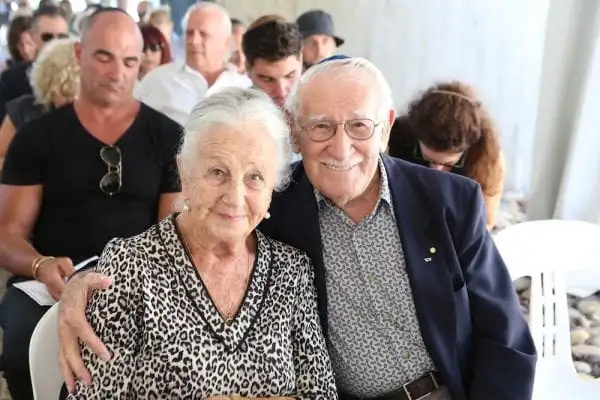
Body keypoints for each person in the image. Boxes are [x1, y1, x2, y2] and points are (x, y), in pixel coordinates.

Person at [59, 56, 536, 400]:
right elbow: (166, 246)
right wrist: (78, 284)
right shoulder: (274, 205)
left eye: (360, 127)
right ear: (296, 129)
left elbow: (507, 339)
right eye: (322, 126)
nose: (341, 147)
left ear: (387, 128)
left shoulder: (450, 202)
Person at [62, 87, 337, 399]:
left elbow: (321, 393)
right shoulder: (130, 265)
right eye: (217, 172)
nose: (235, 197)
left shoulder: (292, 271)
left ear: (274, 186)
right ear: (184, 173)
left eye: (255, 177)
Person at [0, 8, 181, 400]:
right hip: (47, 282)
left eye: (130, 61)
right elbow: (7, 235)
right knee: (21, 352)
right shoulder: (36, 137)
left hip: (140, 281)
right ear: (79, 53)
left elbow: (174, 236)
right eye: (104, 56)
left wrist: (135, 277)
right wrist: (40, 264)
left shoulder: (168, 137)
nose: (117, 72)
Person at [388, 82, 506, 229]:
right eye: (428, 160)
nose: (436, 170)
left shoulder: (488, 159)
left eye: (448, 164)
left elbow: (486, 223)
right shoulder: (393, 140)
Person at [135, 2, 250, 125]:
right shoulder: (157, 81)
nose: (193, 41)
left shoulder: (244, 87)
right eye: (189, 33)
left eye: (203, 34)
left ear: (226, 42)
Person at [0, 37, 79, 169]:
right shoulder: (23, 110)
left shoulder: (96, 119)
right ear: (48, 84)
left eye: (77, 94)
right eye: (64, 93)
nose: (70, 101)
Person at [0, 5, 68, 119]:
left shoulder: (80, 80)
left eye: (61, 37)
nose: (55, 44)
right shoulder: (12, 79)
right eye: (47, 37)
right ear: (33, 37)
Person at [242, 15, 302, 108]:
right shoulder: (232, 116)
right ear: (247, 68)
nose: (281, 93)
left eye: (290, 75)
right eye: (267, 79)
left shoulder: (322, 104)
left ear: (301, 60)